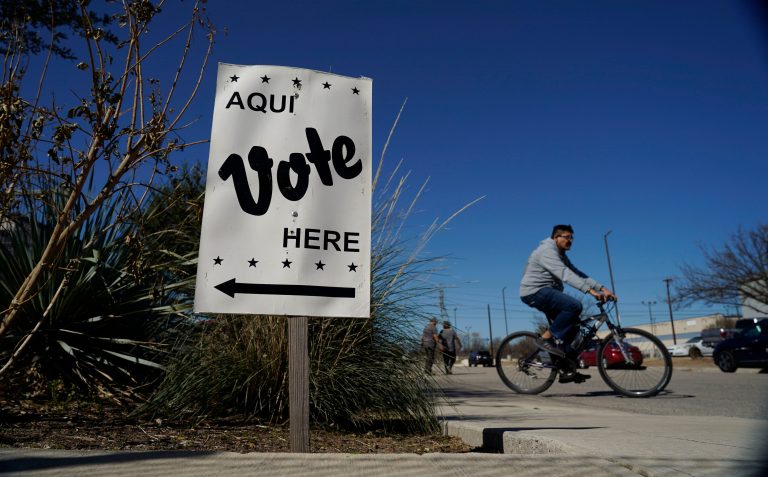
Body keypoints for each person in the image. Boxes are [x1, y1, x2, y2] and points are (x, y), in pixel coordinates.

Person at [519, 224, 617, 383]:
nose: (570, 240)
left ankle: (566, 369)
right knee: (574, 306)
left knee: (575, 331)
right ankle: (544, 340)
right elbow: (565, 274)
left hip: (548, 292)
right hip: (534, 291)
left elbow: (576, 273)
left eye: (572, 238)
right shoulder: (547, 251)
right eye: (566, 237)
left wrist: (602, 288)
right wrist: (589, 291)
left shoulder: (560, 254)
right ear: (556, 237)